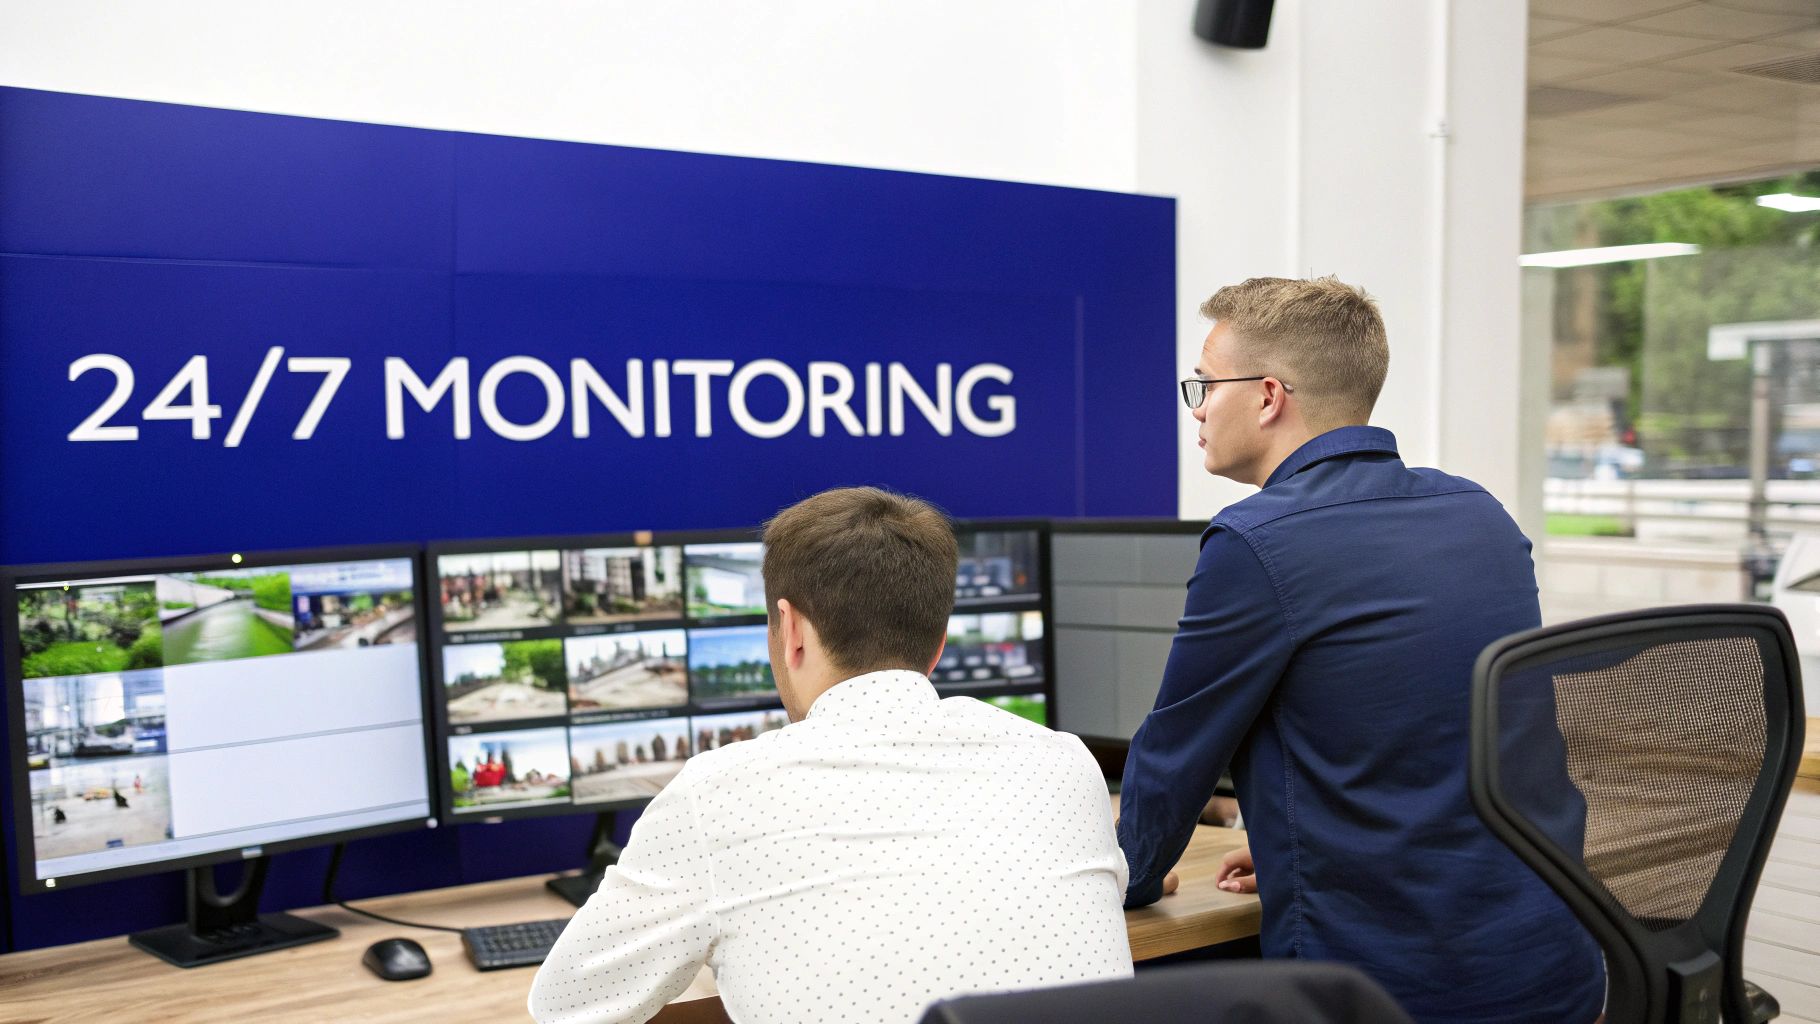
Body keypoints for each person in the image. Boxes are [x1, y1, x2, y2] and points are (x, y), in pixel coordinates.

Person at [1116, 277, 1604, 1022]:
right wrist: (1297, 849)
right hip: (1553, 967)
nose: (1199, 408)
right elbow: (1432, 746)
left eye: (1206, 385)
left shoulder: (1258, 542)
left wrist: (1131, 879)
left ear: (1268, 397)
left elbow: (1174, 757)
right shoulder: (1479, 513)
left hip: (1391, 992)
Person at [531, 487, 1130, 1024]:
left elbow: (565, 1006)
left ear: (790, 630)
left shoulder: (715, 794)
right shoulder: (1065, 764)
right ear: (939, 643)